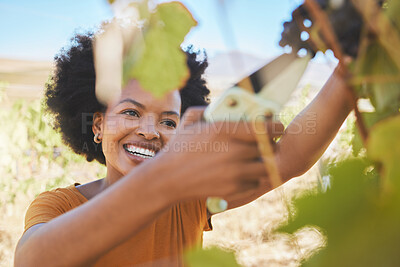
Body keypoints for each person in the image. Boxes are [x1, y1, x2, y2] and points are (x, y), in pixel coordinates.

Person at [15, 26, 351, 265]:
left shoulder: (189, 199)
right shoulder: (58, 206)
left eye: (169, 121)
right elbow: (35, 260)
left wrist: (350, 71)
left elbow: (290, 156)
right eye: (131, 111)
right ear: (98, 125)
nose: (150, 131)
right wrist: (170, 175)